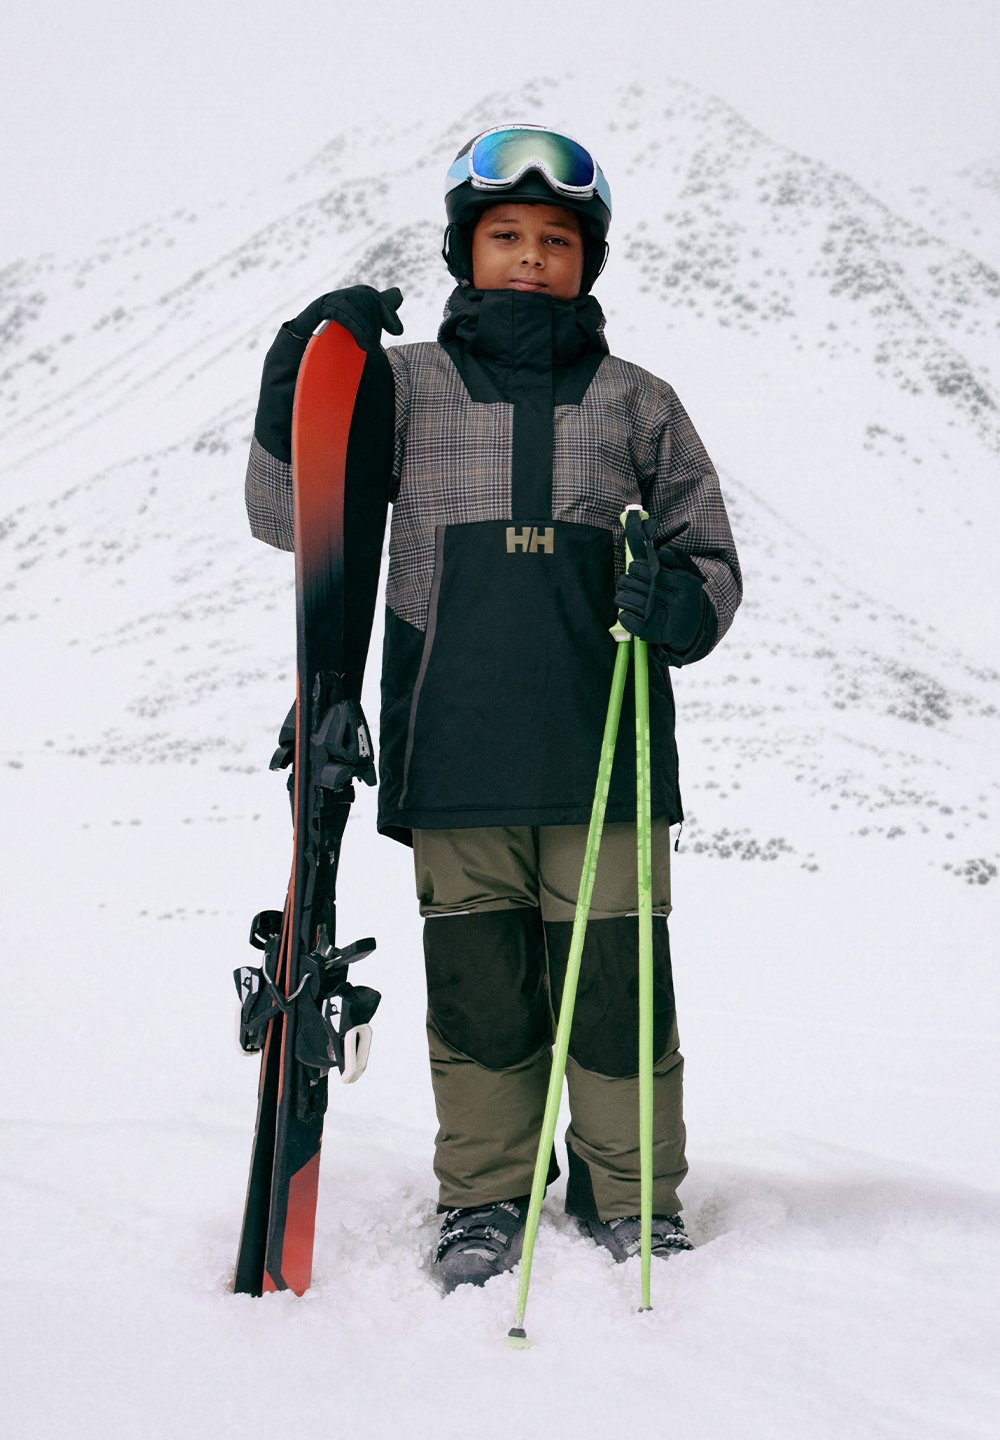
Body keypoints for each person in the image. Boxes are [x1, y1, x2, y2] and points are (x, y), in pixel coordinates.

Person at [244, 124, 742, 1293]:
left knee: (621, 1000)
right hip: (454, 750)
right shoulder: (407, 387)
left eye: (555, 241)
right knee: (480, 1003)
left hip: (605, 763)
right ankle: (483, 1198)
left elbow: (709, 564)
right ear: (467, 251)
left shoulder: (637, 405)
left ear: (588, 260)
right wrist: (295, 379)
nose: (529, 258)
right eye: (506, 236)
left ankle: (629, 1199)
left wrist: (672, 599)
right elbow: (292, 518)